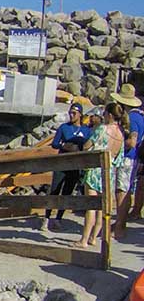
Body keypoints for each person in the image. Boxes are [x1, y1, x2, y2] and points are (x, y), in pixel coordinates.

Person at [79, 106, 127, 249]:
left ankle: (84, 240)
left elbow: (87, 146)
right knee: (102, 207)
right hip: (109, 172)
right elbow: (120, 159)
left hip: (95, 170)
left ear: (110, 115)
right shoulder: (120, 134)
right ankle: (94, 238)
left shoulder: (102, 129)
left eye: (105, 113)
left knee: (91, 206)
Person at [45, 103, 90, 231]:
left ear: (80, 114)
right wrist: (62, 146)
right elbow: (54, 144)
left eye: (74, 113)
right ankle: (47, 217)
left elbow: (88, 144)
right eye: (70, 113)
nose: (71, 115)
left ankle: (58, 218)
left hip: (75, 164)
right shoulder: (64, 127)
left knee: (67, 192)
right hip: (62, 162)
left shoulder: (86, 130)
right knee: (55, 189)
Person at [112, 84, 144, 231]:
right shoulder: (139, 117)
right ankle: (121, 222)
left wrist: (117, 144)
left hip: (127, 158)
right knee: (126, 190)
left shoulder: (131, 118)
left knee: (122, 191)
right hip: (134, 158)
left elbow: (132, 141)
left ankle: (120, 225)